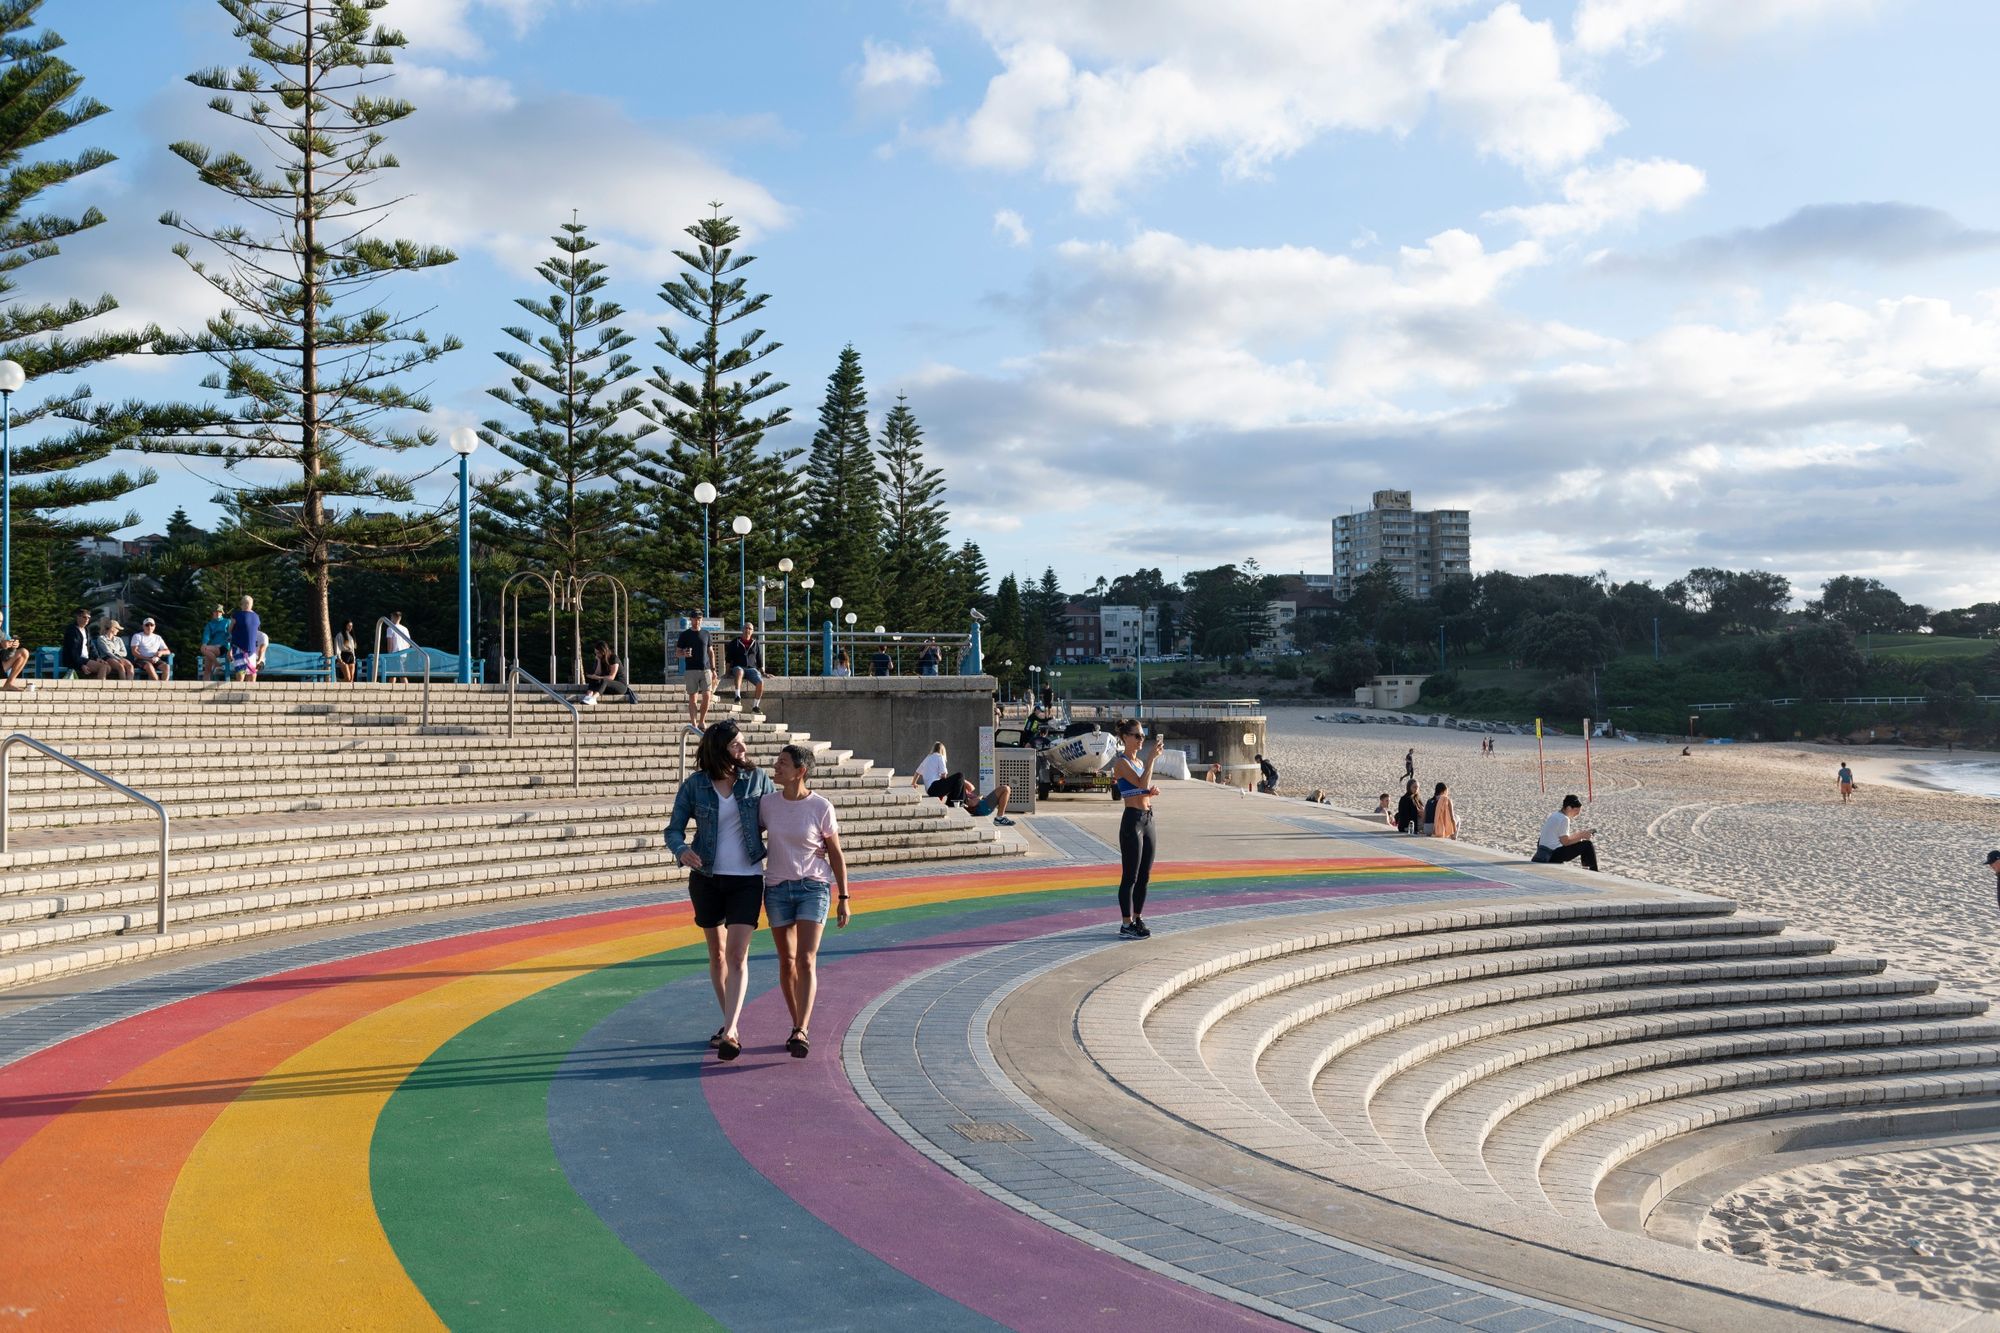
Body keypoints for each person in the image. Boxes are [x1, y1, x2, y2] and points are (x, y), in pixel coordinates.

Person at [663, 719, 773, 1062]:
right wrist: (682, 851)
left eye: (742, 743)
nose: (744, 750)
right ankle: (732, 1025)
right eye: (736, 745)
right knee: (718, 955)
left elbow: (781, 818)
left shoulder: (757, 779)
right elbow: (673, 830)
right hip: (707, 878)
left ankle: (730, 1031)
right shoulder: (695, 785)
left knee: (738, 954)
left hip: (747, 878)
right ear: (719, 750)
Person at [760, 744, 850, 1060]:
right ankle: (795, 1021)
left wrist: (844, 897)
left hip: (814, 887)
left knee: (806, 959)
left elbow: (835, 853)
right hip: (776, 890)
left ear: (801, 770)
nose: (776, 766)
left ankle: (802, 1028)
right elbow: (749, 835)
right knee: (786, 961)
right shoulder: (767, 805)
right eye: (777, 761)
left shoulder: (821, 807)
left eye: (783, 763)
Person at [1111, 718, 1163, 939]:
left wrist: (1150, 792)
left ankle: (1138, 917)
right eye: (1138, 736)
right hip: (1132, 820)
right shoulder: (1121, 763)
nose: (1142, 740)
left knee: (1145, 875)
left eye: (1143, 736)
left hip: (1147, 818)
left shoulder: (1139, 763)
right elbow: (1140, 784)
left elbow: (1142, 788)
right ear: (1125, 738)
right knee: (1130, 875)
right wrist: (1151, 759)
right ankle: (1126, 923)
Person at [1534, 794, 1599, 871]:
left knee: (1584, 842)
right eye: (1576, 811)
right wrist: (1582, 837)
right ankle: (1593, 871)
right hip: (1552, 855)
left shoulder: (1555, 815)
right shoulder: (1564, 819)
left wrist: (1581, 834)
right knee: (1587, 844)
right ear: (1568, 808)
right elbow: (1565, 842)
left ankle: (1587, 868)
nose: (1577, 814)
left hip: (1543, 853)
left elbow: (1562, 838)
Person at [676, 615, 712, 735]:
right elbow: (678, 652)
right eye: (695, 618)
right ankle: (694, 723)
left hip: (705, 669)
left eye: (699, 619)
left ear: (702, 620)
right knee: (693, 697)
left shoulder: (706, 633)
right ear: (691, 620)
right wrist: (684, 654)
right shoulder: (685, 634)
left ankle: (702, 720)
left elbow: (710, 651)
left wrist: (713, 668)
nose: (697, 621)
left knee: (707, 695)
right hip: (691, 669)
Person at [61, 608, 113, 681]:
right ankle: (100, 689)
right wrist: (81, 665)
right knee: (103, 667)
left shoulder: (86, 630)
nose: (87, 619)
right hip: (75, 661)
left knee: (108, 668)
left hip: (86, 659)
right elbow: (72, 651)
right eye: (84, 617)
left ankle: (95, 685)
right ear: (78, 617)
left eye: (88, 618)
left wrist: (97, 658)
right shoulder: (72, 630)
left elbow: (91, 646)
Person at [724, 625, 765, 711]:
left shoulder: (755, 643)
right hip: (738, 667)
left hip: (751, 669)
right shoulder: (735, 642)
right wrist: (727, 672)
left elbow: (759, 659)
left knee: (760, 682)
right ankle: (737, 696)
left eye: (750, 628)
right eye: (746, 628)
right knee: (739, 671)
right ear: (742, 630)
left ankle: (755, 706)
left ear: (752, 631)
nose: (747, 630)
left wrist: (763, 672)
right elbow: (728, 658)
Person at [579, 641, 630, 706]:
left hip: (620, 686)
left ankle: (593, 698)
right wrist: (599, 661)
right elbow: (598, 673)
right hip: (607, 686)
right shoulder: (599, 658)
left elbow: (612, 677)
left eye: (598, 653)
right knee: (593, 678)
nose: (597, 655)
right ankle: (588, 696)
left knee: (604, 680)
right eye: (596, 653)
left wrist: (598, 677)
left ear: (603, 651)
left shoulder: (613, 658)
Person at [228, 596, 261, 681]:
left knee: (240, 671)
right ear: (252, 605)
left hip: (239, 647)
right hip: (252, 649)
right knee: (251, 671)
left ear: (242, 605)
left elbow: (230, 630)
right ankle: (251, 692)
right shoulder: (257, 617)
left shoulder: (237, 615)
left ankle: (239, 692)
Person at [199, 605, 231, 681]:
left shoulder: (227, 622)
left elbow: (231, 635)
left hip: (224, 647)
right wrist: (204, 643)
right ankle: (204, 689)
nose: (217, 613)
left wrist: (224, 643)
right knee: (207, 665)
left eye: (219, 611)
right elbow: (206, 636)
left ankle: (217, 664)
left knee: (205, 650)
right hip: (213, 649)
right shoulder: (210, 624)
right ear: (213, 613)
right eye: (215, 611)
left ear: (222, 613)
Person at [381, 610, 414, 681]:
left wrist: (389, 655)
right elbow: (409, 643)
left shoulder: (390, 628)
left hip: (395, 654)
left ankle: (406, 689)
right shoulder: (405, 629)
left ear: (394, 617)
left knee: (400, 674)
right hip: (404, 654)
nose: (390, 619)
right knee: (394, 674)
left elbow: (390, 643)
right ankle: (390, 690)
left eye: (391, 617)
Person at [0, 621, 27, 690]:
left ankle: (8, 684)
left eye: (0, 621)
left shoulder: (3, 635)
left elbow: (7, 657)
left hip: (2, 667)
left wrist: (12, 647)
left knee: (24, 652)